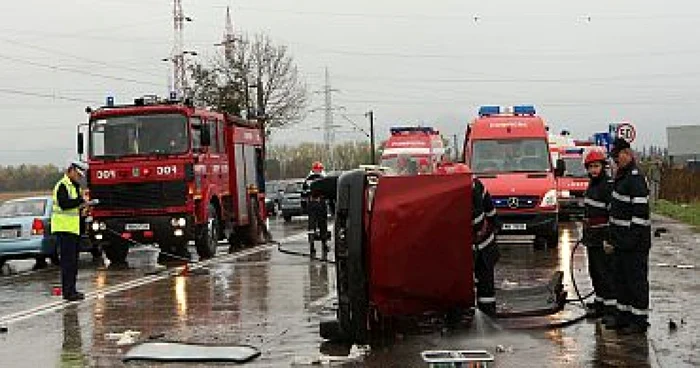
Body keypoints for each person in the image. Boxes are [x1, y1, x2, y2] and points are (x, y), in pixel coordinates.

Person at [607, 138, 652, 334]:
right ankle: (623, 316)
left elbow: (640, 214)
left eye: (619, 157)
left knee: (636, 281)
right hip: (621, 241)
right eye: (614, 159)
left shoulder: (635, 178)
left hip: (634, 242)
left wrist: (631, 240)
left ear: (628, 153)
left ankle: (639, 320)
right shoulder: (622, 176)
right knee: (621, 280)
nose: (617, 161)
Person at [581, 148, 616, 322]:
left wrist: (609, 239)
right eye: (591, 167)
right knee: (594, 272)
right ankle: (600, 302)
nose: (593, 170)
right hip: (592, 237)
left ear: (603, 166)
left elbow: (613, 215)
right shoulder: (592, 185)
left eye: (596, 166)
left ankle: (610, 309)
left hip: (603, 237)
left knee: (605, 273)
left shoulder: (607, 186)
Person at [51, 161, 89, 302]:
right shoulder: (62, 185)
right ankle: (68, 292)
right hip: (64, 229)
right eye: (77, 174)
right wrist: (79, 202)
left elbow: (74, 208)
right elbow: (64, 204)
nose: (79, 177)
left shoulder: (75, 186)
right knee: (67, 262)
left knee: (73, 262)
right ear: (71, 170)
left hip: (73, 229)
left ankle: (72, 290)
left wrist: (83, 209)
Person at [472, 177, 500, 316]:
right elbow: (491, 213)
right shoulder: (475, 184)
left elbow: (479, 219)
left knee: (485, 285)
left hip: (484, 246)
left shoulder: (474, 188)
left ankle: (488, 317)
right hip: (481, 244)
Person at [303, 162, 329, 256]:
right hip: (319, 205)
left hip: (313, 205)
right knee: (319, 225)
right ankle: (318, 245)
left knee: (315, 226)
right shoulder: (323, 178)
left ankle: (319, 244)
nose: (318, 170)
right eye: (318, 169)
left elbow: (304, 193)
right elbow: (327, 193)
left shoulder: (308, 179)